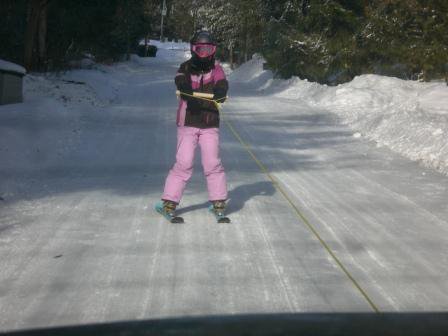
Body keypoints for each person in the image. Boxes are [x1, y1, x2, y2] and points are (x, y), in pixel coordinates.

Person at [156, 29, 229, 223]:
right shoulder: (186, 67)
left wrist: (221, 90)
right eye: (200, 49)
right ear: (193, 49)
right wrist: (185, 88)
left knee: (212, 162)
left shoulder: (216, 68)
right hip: (188, 122)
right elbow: (179, 79)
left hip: (210, 122)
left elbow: (222, 81)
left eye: (207, 49)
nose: (204, 54)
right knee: (184, 162)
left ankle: (218, 202)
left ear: (213, 50)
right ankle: (169, 202)